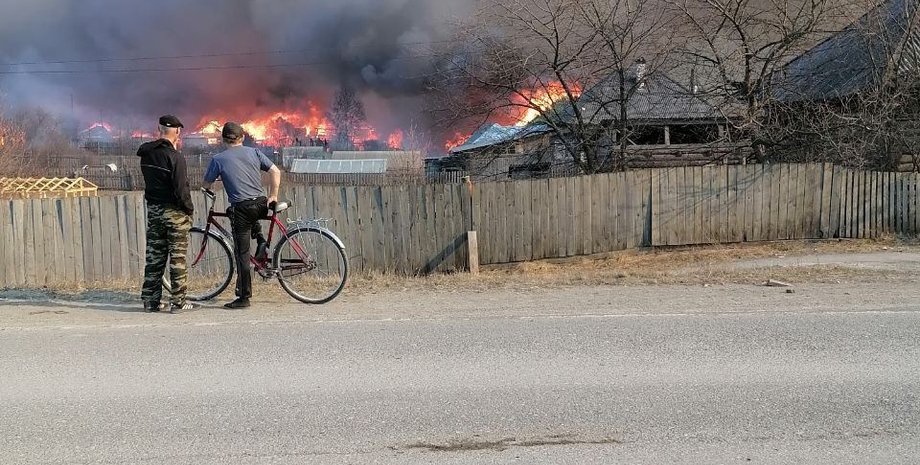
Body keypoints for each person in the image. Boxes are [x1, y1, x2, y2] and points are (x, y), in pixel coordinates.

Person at [203, 122, 282, 309]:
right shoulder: (254, 152)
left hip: (243, 208)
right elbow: (275, 170)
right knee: (238, 213)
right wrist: (273, 195)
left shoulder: (218, 159)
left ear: (223, 139)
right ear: (242, 138)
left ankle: (244, 297)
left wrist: (207, 187)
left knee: (242, 254)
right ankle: (261, 240)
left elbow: (206, 183)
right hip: (261, 203)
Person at [137, 115, 194, 313]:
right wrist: (188, 210)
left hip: (154, 211)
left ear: (158, 129)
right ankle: (178, 302)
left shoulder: (146, 153)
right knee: (177, 258)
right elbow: (181, 189)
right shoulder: (175, 157)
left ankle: (150, 301)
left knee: (154, 257)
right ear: (177, 131)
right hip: (174, 213)